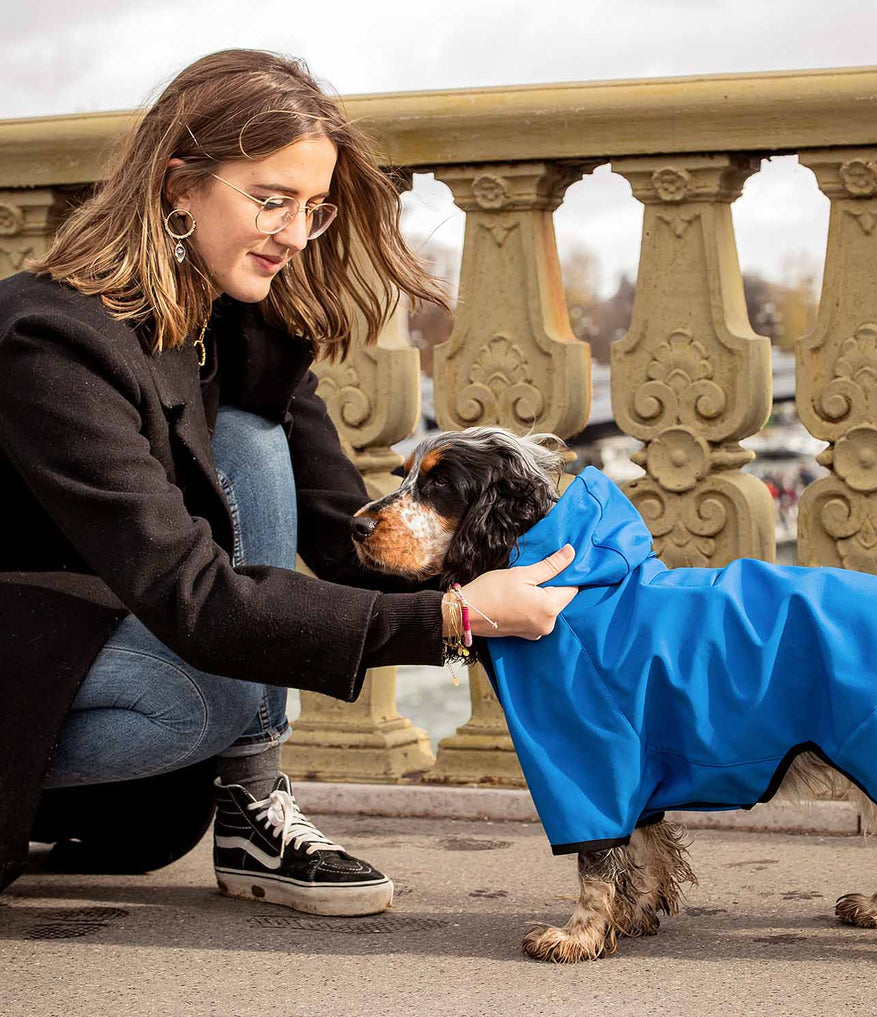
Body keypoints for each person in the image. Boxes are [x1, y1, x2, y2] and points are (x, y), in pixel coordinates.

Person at [0, 48, 577, 915]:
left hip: (96, 623)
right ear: (177, 185)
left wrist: (549, 571)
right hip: (34, 630)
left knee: (253, 434)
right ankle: (231, 784)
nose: (296, 234)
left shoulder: (233, 319)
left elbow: (339, 523)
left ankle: (251, 806)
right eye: (269, 200)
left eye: (312, 207)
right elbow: (190, 594)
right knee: (210, 695)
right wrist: (455, 621)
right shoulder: (52, 342)